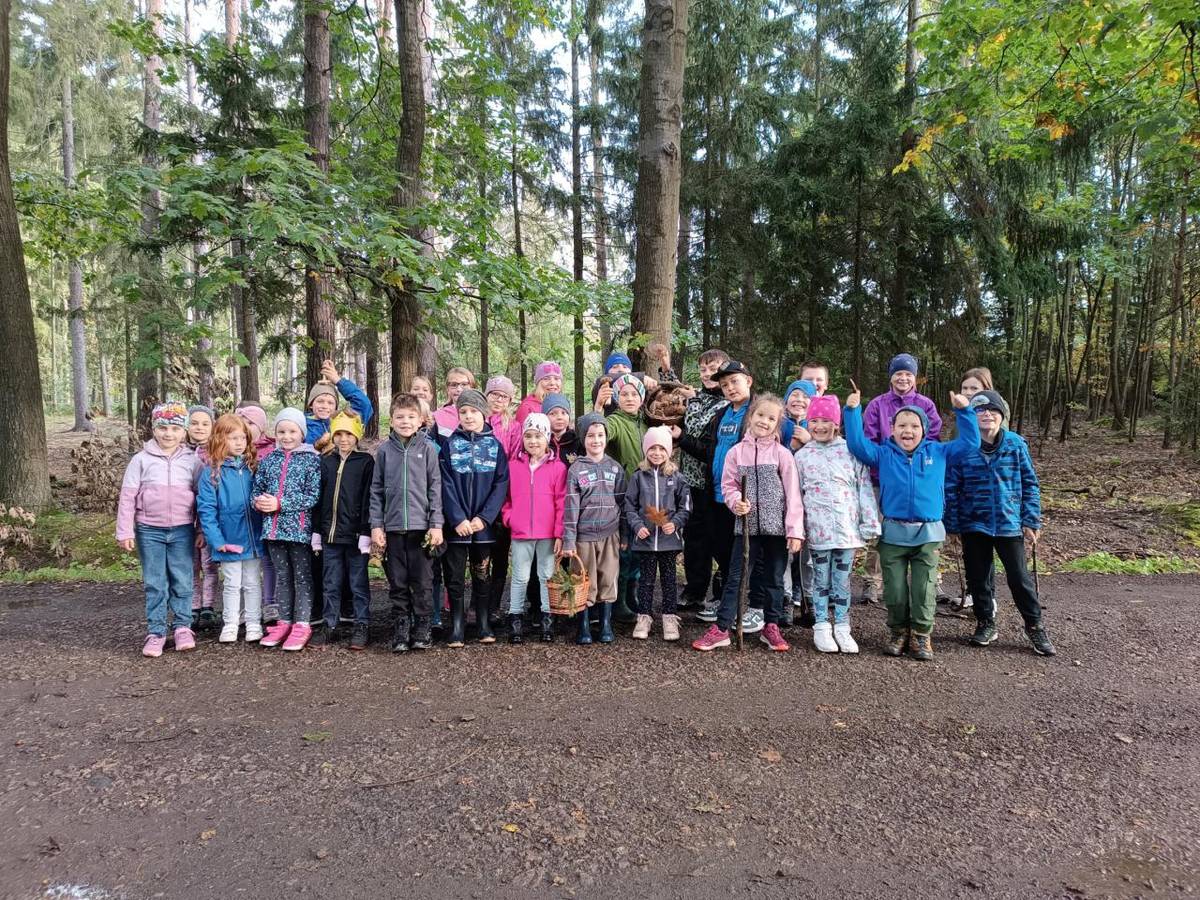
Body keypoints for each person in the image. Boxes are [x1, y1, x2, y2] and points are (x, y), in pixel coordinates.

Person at [844, 381, 977, 660]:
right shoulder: (883, 453)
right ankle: (898, 632)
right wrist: (852, 411)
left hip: (927, 534)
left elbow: (970, 443)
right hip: (893, 533)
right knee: (895, 589)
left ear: (925, 430)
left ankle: (921, 635)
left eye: (914, 426)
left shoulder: (938, 452)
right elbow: (857, 445)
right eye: (902, 425)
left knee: (924, 587)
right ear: (892, 429)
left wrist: (964, 412)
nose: (908, 431)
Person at [945, 390, 1056, 656]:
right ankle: (985, 622)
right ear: (971, 417)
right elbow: (951, 488)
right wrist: (953, 525)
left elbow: (1030, 484)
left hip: (1009, 524)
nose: (986, 415)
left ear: (1002, 416)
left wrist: (1031, 519)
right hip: (974, 524)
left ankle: (1034, 625)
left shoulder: (1016, 445)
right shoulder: (963, 449)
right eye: (980, 411)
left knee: (1019, 577)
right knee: (979, 578)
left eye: (992, 410)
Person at [692, 393, 804, 652]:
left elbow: (793, 495)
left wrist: (794, 531)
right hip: (746, 528)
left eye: (771, 418)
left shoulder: (782, 455)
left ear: (778, 424)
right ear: (751, 416)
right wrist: (735, 503)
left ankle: (771, 626)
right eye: (760, 415)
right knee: (736, 576)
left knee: (774, 578)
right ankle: (722, 628)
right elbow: (728, 485)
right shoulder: (735, 453)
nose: (764, 421)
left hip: (776, 528)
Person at [793, 395, 880, 654]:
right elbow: (796, 496)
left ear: (836, 424)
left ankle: (842, 625)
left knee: (842, 581)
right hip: (818, 532)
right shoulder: (802, 456)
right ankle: (821, 625)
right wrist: (797, 528)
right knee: (820, 580)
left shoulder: (849, 452)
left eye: (826, 421)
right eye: (814, 421)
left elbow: (863, 487)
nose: (819, 426)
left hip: (846, 532)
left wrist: (869, 522)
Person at [116, 401, 204, 658]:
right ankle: (156, 631)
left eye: (175, 429)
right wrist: (125, 531)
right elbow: (127, 497)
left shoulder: (191, 461)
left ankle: (182, 627)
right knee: (155, 582)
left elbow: (201, 498)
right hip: (149, 530)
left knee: (183, 580)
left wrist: (200, 530)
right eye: (163, 428)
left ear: (184, 431)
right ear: (154, 428)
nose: (168, 434)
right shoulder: (140, 460)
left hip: (183, 529)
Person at [858, 353, 943, 604]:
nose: (903, 378)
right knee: (879, 531)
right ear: (891, 376)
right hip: (882, 478)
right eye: (898, 373)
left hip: (919, 477)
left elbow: (933, 435)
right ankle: (872, 582)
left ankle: (932, 581)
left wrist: (913, 457)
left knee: (927, 528)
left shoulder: (926, 404)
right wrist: (889, 458)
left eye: (908, 374)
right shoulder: (878, 405)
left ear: (914, 377)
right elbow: (868, 437)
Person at [687, 359, 761, 633]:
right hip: (717, 494)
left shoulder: (757, 412)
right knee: (722, 549)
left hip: (745, 496)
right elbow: (709, 450)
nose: (730, 387)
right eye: (725, 384)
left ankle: (753, 606)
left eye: (734, 382)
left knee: (747, 554)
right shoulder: (722, 414)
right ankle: (727, 601)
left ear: (748, 381)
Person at [371, 393, 445, 653]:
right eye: (400, 417)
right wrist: (376, 525)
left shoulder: (427, 450)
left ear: (420, 420)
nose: (405, 421)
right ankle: (402, 625)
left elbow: (435, 488)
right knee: (398, 581)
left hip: (421, 528)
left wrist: (436, 524)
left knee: (422, 581)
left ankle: (422, 626)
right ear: (391, 421)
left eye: (411, 417)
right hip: (392, 529)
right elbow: (376, 490)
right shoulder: (384, 451)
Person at [439, 388, 510, 647]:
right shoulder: (449, 445)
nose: (468, 416)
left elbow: (501, 484)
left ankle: (482, 623)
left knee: (482, 574)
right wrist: (457, 518)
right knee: (455, 577)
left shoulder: (495, 447)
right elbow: (444, 484)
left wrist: (485, 518)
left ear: (484, 413)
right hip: (456, 527)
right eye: (463, 412)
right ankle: (457, 625)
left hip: (483, 527)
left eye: (473, 411)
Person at [253, 408, 322, 651]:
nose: (286, 436)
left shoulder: (312, 459)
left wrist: (281, 504)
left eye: (292, 431)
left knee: (301, 577)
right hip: (272, 531)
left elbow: (313, 496)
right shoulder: (269, 459)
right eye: (281, 431)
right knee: (283, 577)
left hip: (299, 532)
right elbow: (257, 487)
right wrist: (259, 501)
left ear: (301, 433)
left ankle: (302, 623)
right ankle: (284, 620)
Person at [196, 413, 265, 644]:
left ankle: (254, 621)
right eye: (232, 438)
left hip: (254, 538)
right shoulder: (211, 473)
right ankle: (231, 623)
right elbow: (206, 511)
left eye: (242, 438)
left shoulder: (254, 468)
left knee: (253, 582)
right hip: (229, 540)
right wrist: (218, 541)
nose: (238, 443)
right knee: (232, 584)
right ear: (219, 440)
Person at [672, 349, 730, 617]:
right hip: (689, 483)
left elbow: (712, 450)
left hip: (715, 485)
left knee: (719, 539)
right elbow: (671, 394)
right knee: (694, 540)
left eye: (714, 369)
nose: (708, 374)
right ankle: (695, 591)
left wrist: (682, 438)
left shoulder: (728, 407)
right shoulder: (695, 400)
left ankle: (723, 593)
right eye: (704, 370)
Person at [310, 411, 375, 651]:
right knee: (331, 581)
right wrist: (317, 531)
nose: (344, 439)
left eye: (349, 433)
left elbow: (369, 498)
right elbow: (319, 499)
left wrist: (366, 531)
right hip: (330, 535)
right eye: (339, 434)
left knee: (358, 582)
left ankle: (361, 624)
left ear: (357, 435)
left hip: (356, 535)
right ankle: (330, 624)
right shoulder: (326, 462)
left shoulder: (366, 462)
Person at [501, 413, 567, 644]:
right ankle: (515, 619)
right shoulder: (513, 466)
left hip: (547, 533)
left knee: (545, 576)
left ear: (547, 437)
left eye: (538, 436)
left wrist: (559, 533)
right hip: (521, 533)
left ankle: (547, 620)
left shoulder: (558, 468)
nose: (533, 441)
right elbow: (506, 498)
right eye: (528, 436)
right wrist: (510, 518)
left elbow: (561, 503)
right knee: (519, 577)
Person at [562, 413, 627, 644]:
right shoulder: (575, 470)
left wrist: (624, 534)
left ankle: (606, 623)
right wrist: (568, 540)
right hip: (583, 537)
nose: (596, 440)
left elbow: (622, 503)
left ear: (607, 438)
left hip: (610, 534)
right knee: (583, 579)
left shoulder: (616, 468)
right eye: (590, 436)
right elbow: (570, 509)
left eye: (600, 435)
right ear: (583, 439)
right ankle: (584, 625)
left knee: (608, 577)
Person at [625, 426, 691, 641]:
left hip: (668, 541)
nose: (656, 453)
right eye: (652, 448)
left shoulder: (677, 478)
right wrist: (637, 526)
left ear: (669, 451)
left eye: (661, 448)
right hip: (645, 541)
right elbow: (629, 506)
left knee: (669, 580)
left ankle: (669, 616)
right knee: (646, 580)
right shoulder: (638, 477)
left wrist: (676, 523)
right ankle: (644, 616)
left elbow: (686, 507)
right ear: (646, 450)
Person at [602, 373, 649, 622]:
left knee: (639, 549)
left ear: (641, 398)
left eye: (634, 393)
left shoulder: (645, 423)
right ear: (617, 398)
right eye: (624, 394)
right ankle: (618, 601)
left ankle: (632, 595)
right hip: (623, 497)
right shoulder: (616, 421)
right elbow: (601, 431)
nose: (630, 398)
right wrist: (599, 409)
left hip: (647, 496)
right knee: (626, 548)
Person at [236, 403, 278, 622]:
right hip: (241, 516)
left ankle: (270, 602)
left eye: (251, 423)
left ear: (261, 426)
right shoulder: (233, 450)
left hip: (268, 514)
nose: (245, 426)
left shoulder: (272, 450)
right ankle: (246, 605)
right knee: (243, 562)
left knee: (269, 560)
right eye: (242, 421)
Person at [187, 404, 219, 629]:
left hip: (207, 520)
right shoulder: (178, 451)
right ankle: (192, 607)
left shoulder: (216, 453)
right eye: (194, 423)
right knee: (190, 566)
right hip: (182, 520)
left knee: (208, 565)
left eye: (205, 423)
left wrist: (204, 527)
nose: (199, 428)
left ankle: (208, 607)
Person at [304, 359, 374, 447]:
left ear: (336, 407)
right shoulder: (301, 423)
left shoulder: (343, 420)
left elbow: (364, 405)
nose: (325, 406)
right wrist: (317, 445)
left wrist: (338, 381)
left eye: (330, 403)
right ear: (311, 404)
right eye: (320, 401)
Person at [516, 361, 564, 425]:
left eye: (556, 378)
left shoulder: (562, 405)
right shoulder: (527, 407)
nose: (552, 383)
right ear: (538, 383)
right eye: (546, 379)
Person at [434, 367, 476, 438]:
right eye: (454, 385)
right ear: (448, 389)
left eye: (464, 384)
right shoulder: (437, 416)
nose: (459, 389)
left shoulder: (482, 415)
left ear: (472, 387)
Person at [543, 393, 580, 465]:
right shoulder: (542, 443)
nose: (559, 417)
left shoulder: (577, 443)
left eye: (564, 413)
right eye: (553, 413)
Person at [780, 378, 816, 451]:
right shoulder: (778, 423)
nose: (799, 399)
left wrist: (809, 441)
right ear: (786, 402)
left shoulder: (815, 426)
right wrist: (791, 447)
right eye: (794, 395)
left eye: (806, 397)